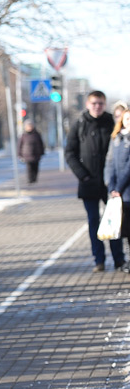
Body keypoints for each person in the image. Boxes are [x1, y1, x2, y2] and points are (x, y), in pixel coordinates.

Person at [65, 90, 121, 271]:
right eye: (94, 103)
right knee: (93, 221)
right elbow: (70, 153)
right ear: (88, 104)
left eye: (100, 103)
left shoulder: (111, 122)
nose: (97, 106)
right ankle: (99, 260)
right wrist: (83, 175)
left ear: (105, 104)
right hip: (88, 182)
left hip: (110, 183)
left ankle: (119, 259)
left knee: (114, 220)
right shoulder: (80, 124)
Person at [104, 108, 130, 268]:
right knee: (124, 229)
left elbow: (128, 168)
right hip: (120, 194)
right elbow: (111, 164)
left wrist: (118, 187)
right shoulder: (117, 138)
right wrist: (111, 186)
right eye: (127, 118)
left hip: (126, 190)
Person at [19, 119, 46, 184]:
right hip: (27, 154)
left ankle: (34, 178)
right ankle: (30, 179)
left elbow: (41, 143)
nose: (29, 127)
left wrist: (42, 152)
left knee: (35, 167)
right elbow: (19, 145)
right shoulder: (23, 135)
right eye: (28, 126)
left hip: (36, 154)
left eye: (30, 125)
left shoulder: (37, 134)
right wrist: (20, 154)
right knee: (29, 168)